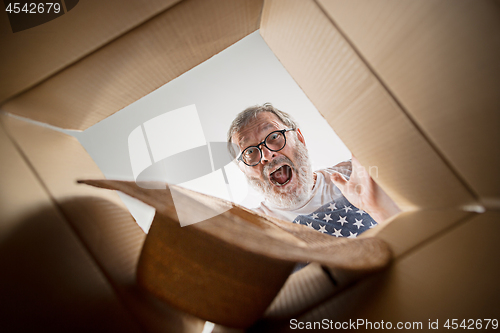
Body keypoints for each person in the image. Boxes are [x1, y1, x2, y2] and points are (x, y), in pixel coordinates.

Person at [227, 103, 401, 239]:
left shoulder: (359, 172)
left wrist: (380, 210)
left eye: (274, 137)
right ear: (243, 170)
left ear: (300, 138)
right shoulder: (252, 229)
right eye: (249, 152)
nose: (267, 154)